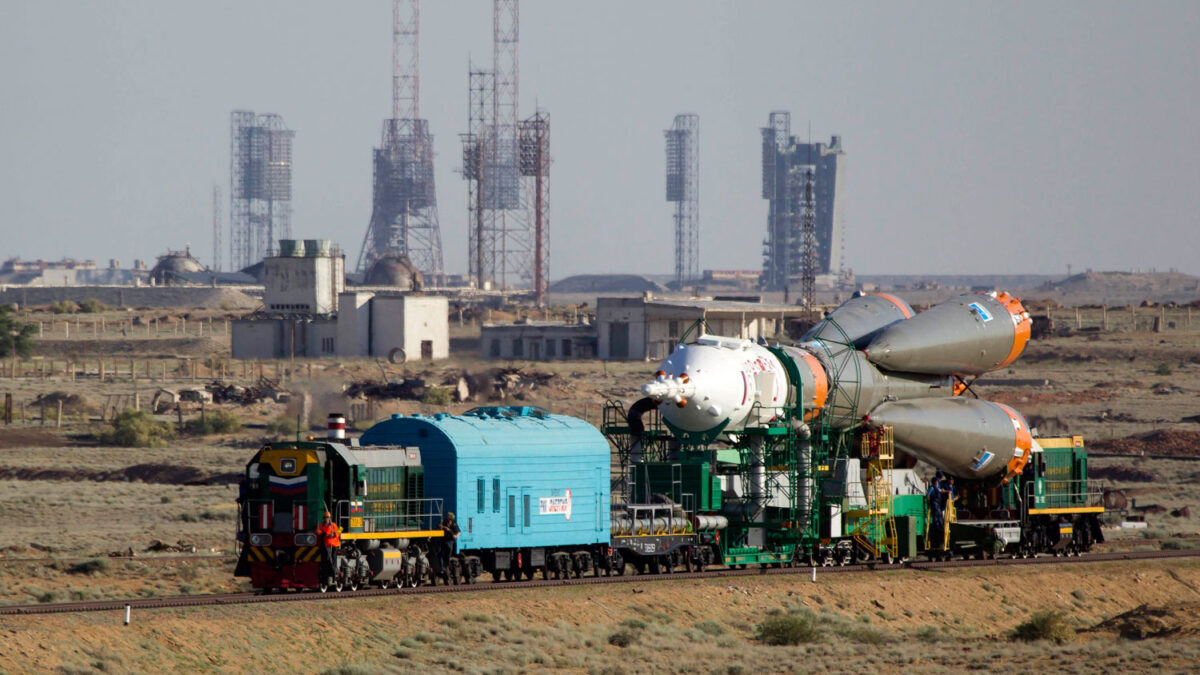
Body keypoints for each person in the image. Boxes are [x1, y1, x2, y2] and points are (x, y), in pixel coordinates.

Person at [315, 511, 341, 577]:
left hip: (334, 545)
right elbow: (318, 531)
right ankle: (327, 571)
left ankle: (334, 570)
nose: (326, 519)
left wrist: (334, 534)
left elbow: (340, 530)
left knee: (333, 557)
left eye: (328, 517)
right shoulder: (321, 525)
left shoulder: (333, 525)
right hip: (326, 545)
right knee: (327, 558)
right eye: (325, 517)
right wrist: (322, 533)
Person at [438, 512, 460, 584]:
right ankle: (443, 568)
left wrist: (455, 536)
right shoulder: (444, 522)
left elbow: (458, 532)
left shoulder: (454, 524)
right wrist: (444, 527)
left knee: (448, 553)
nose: (449, 520)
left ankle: (446, 565)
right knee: (441, 554)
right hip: (444, 540)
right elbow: (439, 525)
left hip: (450, 541)